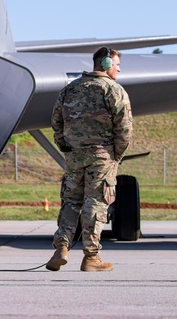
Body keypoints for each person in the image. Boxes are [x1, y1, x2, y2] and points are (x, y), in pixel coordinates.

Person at [46, 47, 133, 272]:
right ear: (105, 65)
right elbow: (124, 128)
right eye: (116, 65)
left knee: (71, 201)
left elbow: (56, 123)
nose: (119, 70)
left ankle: (61, 248)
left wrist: (66, 147)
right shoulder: (113, 90)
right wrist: (117, 155)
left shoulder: (70, 89)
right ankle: (91, 257)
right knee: (95, 202)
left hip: (75, 156)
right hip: (101, 156)